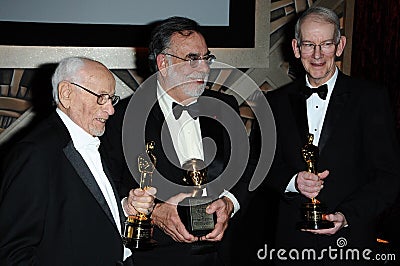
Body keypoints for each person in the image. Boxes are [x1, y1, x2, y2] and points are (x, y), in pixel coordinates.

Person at [100, 16, 251, 265]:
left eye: (206, 59)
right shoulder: (123, 118)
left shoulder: (225, 107)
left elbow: (246, 167)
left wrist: (230, 203)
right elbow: (106, 187)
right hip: (160, 255)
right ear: (163, 63)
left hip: (225, 253)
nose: (204, 69)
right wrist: (154, 213)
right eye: (192, 59)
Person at [265, 6, 400, 266]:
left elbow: (389, 176)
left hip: (351, 244)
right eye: (308, 44)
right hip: (290, 247)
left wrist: (347, 215)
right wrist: (293, 181)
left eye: (326, 44)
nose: (317, 55)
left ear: (340, 46)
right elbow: (262, 168)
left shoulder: (370, 98)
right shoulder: (273, 103)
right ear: (295, 48)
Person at [0, 57, 156, 265]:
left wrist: (125, 210)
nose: (110, 110)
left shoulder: (91, 141)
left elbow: (79, 214)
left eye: (111, 99)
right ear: (66, 94)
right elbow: (12, 253)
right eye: (101, 97)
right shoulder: (35, 153)